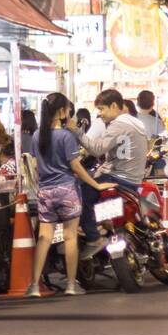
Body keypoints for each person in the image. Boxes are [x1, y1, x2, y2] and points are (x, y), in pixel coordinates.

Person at [26, 92, 114, 297]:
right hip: (67, 189)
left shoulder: (38, 135)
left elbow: (34, 164)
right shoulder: (66, 136)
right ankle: (71, 285)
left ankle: (34, 286)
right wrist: (96, 185)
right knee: (70, 237)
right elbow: (76, 166)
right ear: (62, 112)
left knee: (43, 238)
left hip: (45, 191)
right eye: (67, 109)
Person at [73, 88, 148, 258]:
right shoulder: (136, 123)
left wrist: (77, 132)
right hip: (134, 179)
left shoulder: (118, 124)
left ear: (114, 105)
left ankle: (93, 238)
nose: (100, 114)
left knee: (81, 194)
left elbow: (96, 149)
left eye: (102, 109)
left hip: (118, 177)